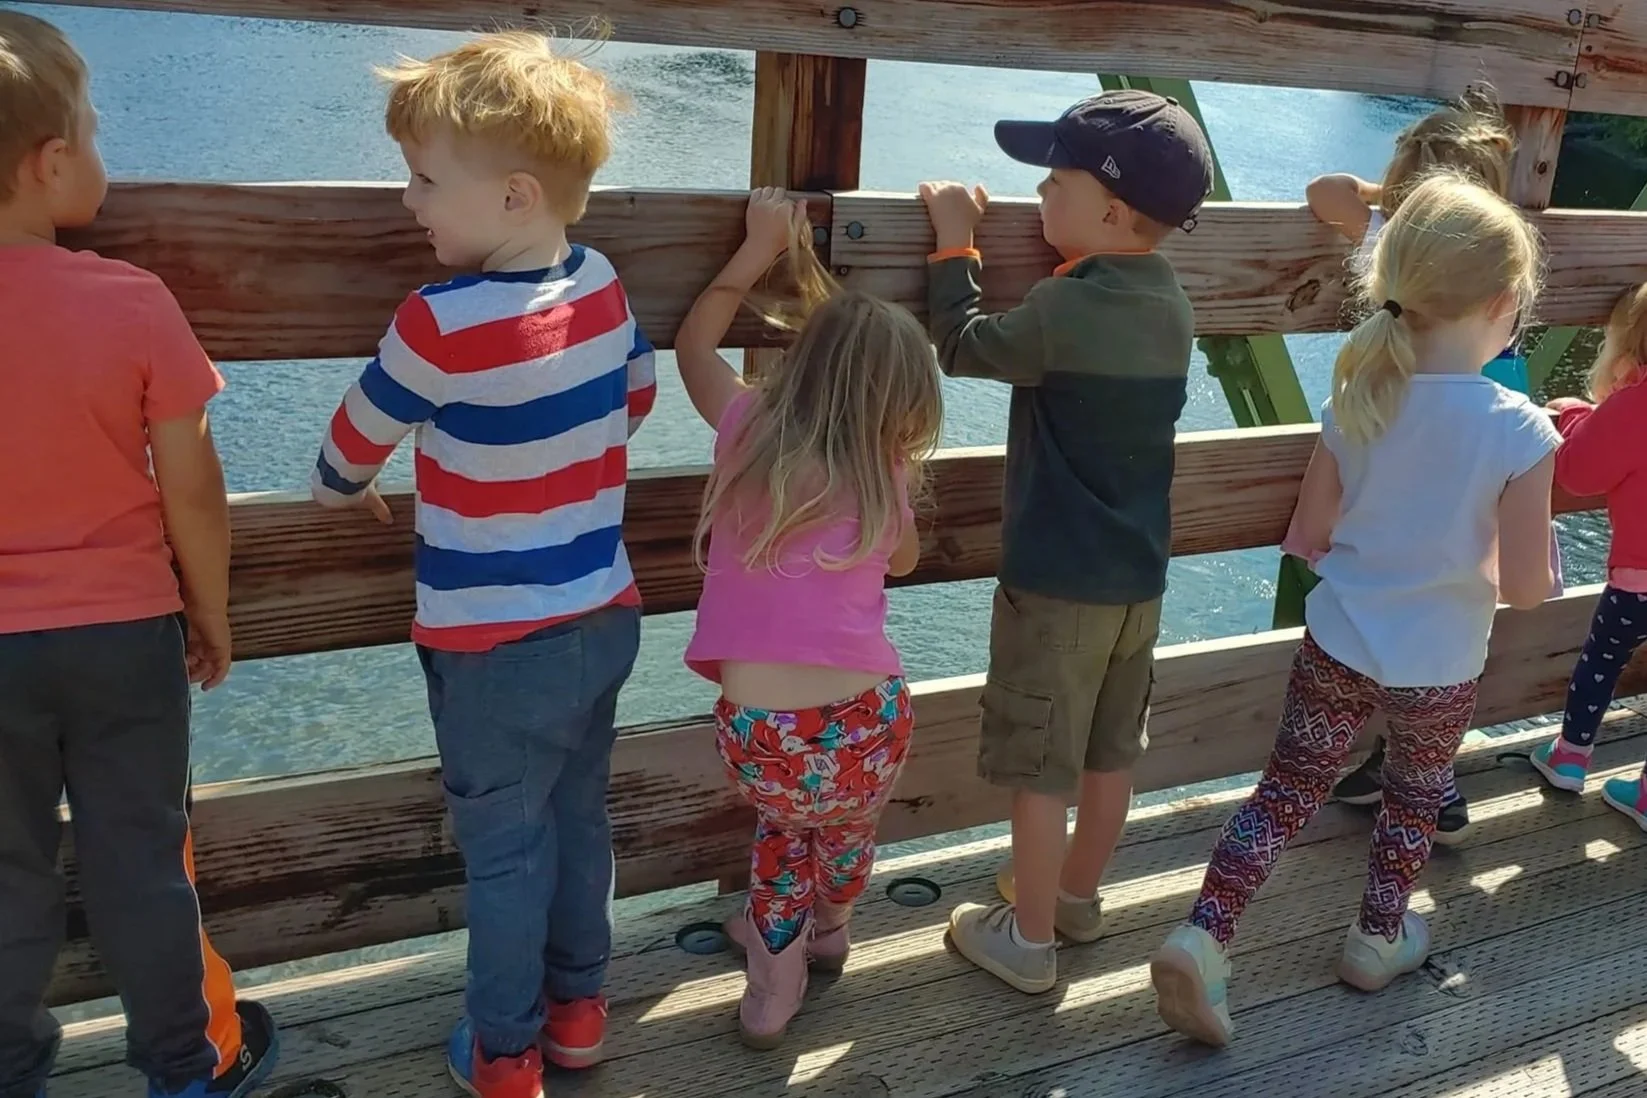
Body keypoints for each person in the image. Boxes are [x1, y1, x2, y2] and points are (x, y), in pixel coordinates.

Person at [310, 32, 653, 1098]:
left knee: (505, 853)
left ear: (512, 196)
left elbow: (344, 453)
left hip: (492, 644)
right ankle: (579, 1007)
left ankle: (504, 1054)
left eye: (423, 179)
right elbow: (635, 398)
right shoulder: (599, 283)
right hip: (602, 614)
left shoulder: (435, 321)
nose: (407, 201)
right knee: (578, 818)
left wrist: (346, 490)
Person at [1152, 172, 1560, 1049]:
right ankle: (1377, 939)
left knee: (1285, 792)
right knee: (1413, 796)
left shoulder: (1356, 401)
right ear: (1499, 306)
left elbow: (1308, 536)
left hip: (1340, 644)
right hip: (1441, 662)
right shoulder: (1519, 431)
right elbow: (1526, 588)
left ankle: (1204, 932)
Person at [0, 12, 279, 1098]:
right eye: (98, 134)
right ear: (53, 162)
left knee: (5, 876)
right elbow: (195, 491)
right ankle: (184, 1066)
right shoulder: (130, 300)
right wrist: (207, 611)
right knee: (145, 864)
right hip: (121, 634)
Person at [917, 90, 1213, 994]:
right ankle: (1078, 898)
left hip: (1055, 589)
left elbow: (962, 346)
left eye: (1052, 184)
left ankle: (1031, 942)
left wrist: (954, 241)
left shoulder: (1059, 310)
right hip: (1136, 581)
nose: (1038, 197)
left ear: (1111, 210)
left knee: (1039, 769)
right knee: (1109, 752)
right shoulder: (1170, 304)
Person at [674, 187, 941, 1047]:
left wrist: (757, 250)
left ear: (802, 360)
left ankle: (771, 986)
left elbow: (692, 345)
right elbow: (899, 563)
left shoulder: (749, 427)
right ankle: (831, 931)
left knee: (782, 839)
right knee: (848, 829)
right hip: (872, 716)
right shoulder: (883, 474)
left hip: (765, 729)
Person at [1306, 89, 1522, 843]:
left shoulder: (1390, 250)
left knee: (1391, 595)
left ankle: (1413, 779)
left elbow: (1319, 192)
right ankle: (1423, 775)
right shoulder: (1501, 266)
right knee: (1446, 612)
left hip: (1403, 433)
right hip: (1487, 443)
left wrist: (1383, 200)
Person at [1530, 283, 1647, 828]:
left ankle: (1571, 757)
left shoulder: (1633, 405)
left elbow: (1578, 474)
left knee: (1601, 664)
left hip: (1636, 584)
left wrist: (1577, 416)